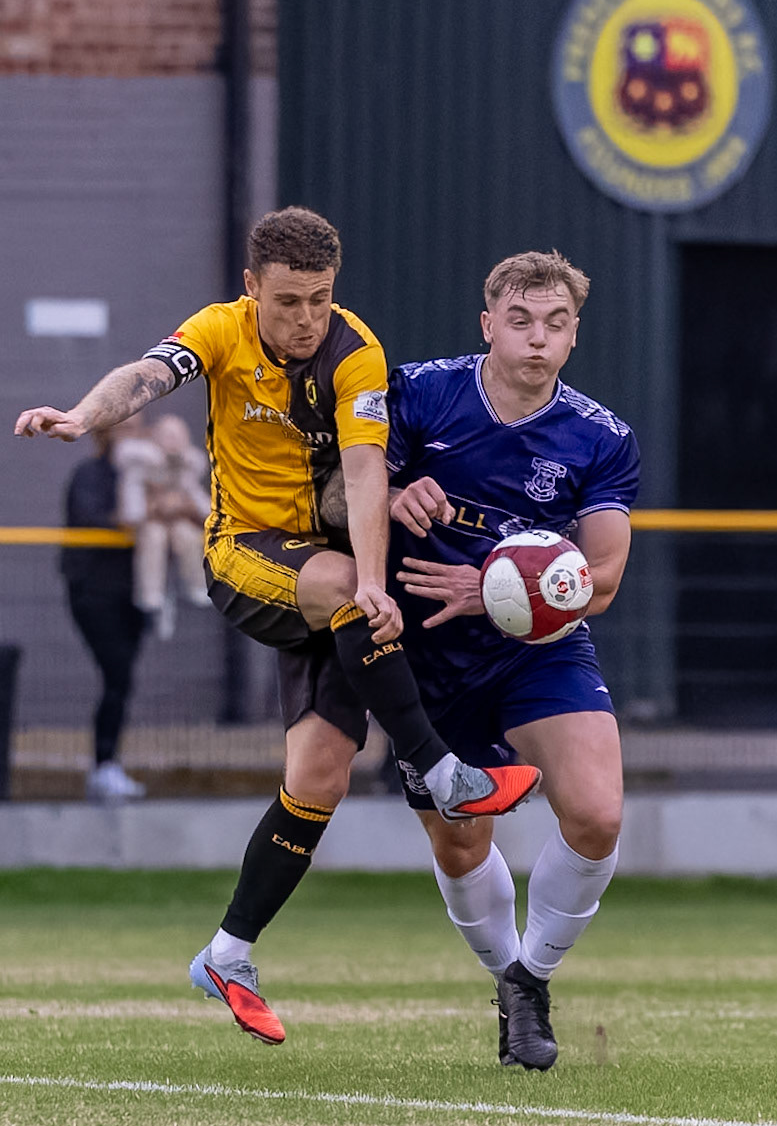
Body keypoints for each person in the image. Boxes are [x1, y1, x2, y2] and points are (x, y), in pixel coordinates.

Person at [14, 206, 540, 1046]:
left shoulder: (355, 350)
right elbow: (144, 376)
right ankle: (442, 770)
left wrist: (373, 580)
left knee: (320, 776)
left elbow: (365, 473)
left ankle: (227, 952)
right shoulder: (219, 331)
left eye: (320, 299)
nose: (305, 319)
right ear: (251, 287)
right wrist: (83, 416)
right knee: (343, 587)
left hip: (330, 583)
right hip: (245, 555)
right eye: (288, 301)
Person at [385, 250, 640, 1070]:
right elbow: (331, 494)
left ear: (573, 335)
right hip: (425, 656)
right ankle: (506, 977)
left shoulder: (599, 437)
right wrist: (389, 494)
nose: (537, 338)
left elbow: (602, 578)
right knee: (462, 842)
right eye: (521, 321)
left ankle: (531, 978)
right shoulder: (419, 393)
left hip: (539, 647)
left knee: (596, 815)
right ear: (487, 324)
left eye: (555, 324)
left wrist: (495, 588)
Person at [60, 418, 149, 801]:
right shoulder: (90, 474)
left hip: (134, 592)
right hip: (94, 593)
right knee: (118, 673)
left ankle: (107, 765)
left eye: (137, 427)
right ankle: (104, 765)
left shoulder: (145, 473)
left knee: (121, 680)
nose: (133, 434)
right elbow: (93, 518)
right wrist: (138, 517)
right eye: (125, 427)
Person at [114, 413, 211, 635]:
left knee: (188, 537)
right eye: (168, 435)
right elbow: (132, 493)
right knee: (154, 538)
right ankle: (150, 594)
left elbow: (195, 495)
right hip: (150, 524)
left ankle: (197, 584)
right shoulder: (142, 462)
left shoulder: (187, 464)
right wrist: (142, 511)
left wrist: (185, 507)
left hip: (178, 523)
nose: (173, 441)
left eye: (178, 436)